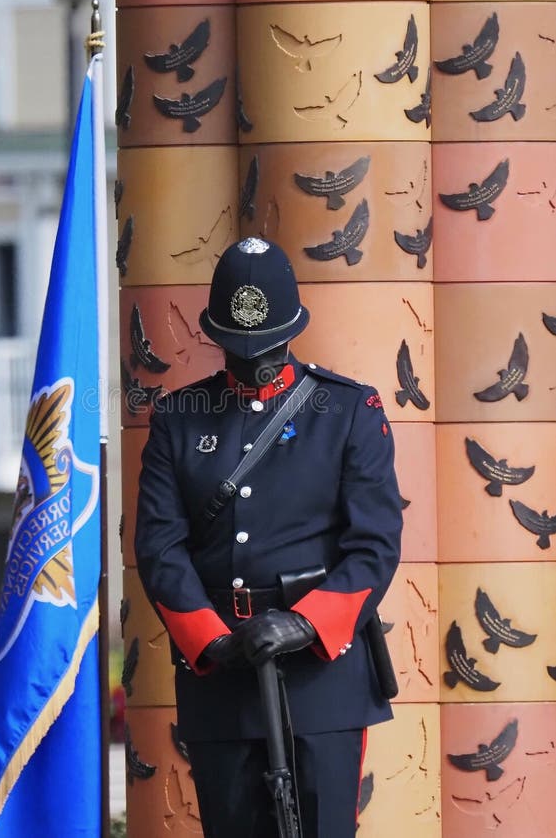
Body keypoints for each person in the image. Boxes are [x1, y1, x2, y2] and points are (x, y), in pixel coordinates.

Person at [134, 237, 402, 837]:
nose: (252, 358)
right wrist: (212, 640)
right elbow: (158, 547)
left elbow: (375, 543)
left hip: (321, 679)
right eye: (238, 345)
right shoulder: (178, 419)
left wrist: (307, 623)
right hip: (221, 678)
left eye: (266, 345)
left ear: (292, 331)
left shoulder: (348, 410)